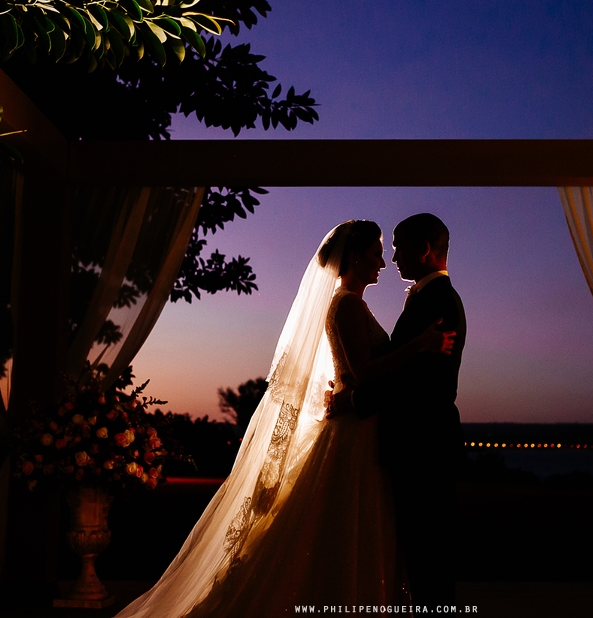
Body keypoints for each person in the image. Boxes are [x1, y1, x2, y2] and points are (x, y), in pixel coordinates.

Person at [115, 220, 453, 618]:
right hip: (355, 432)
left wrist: (347, 391)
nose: (383, 261)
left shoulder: (351, 304)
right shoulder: (347, 304)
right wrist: (419, 346)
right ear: (354, 257)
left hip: (361, 424)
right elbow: (364, 373)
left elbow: (358, 372)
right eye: (376, 253)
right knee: (344, 526)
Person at [328, 213, 467, 607]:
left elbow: (418, 383)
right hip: (413, 445)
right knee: (418, 559)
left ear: (423, 250)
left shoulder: (438, 301)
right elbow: (390, 366)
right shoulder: (425, 297)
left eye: (397, 249)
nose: (391, 260)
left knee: (428, 560)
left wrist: (352, 400)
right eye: (383, 252)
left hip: (424, 446)